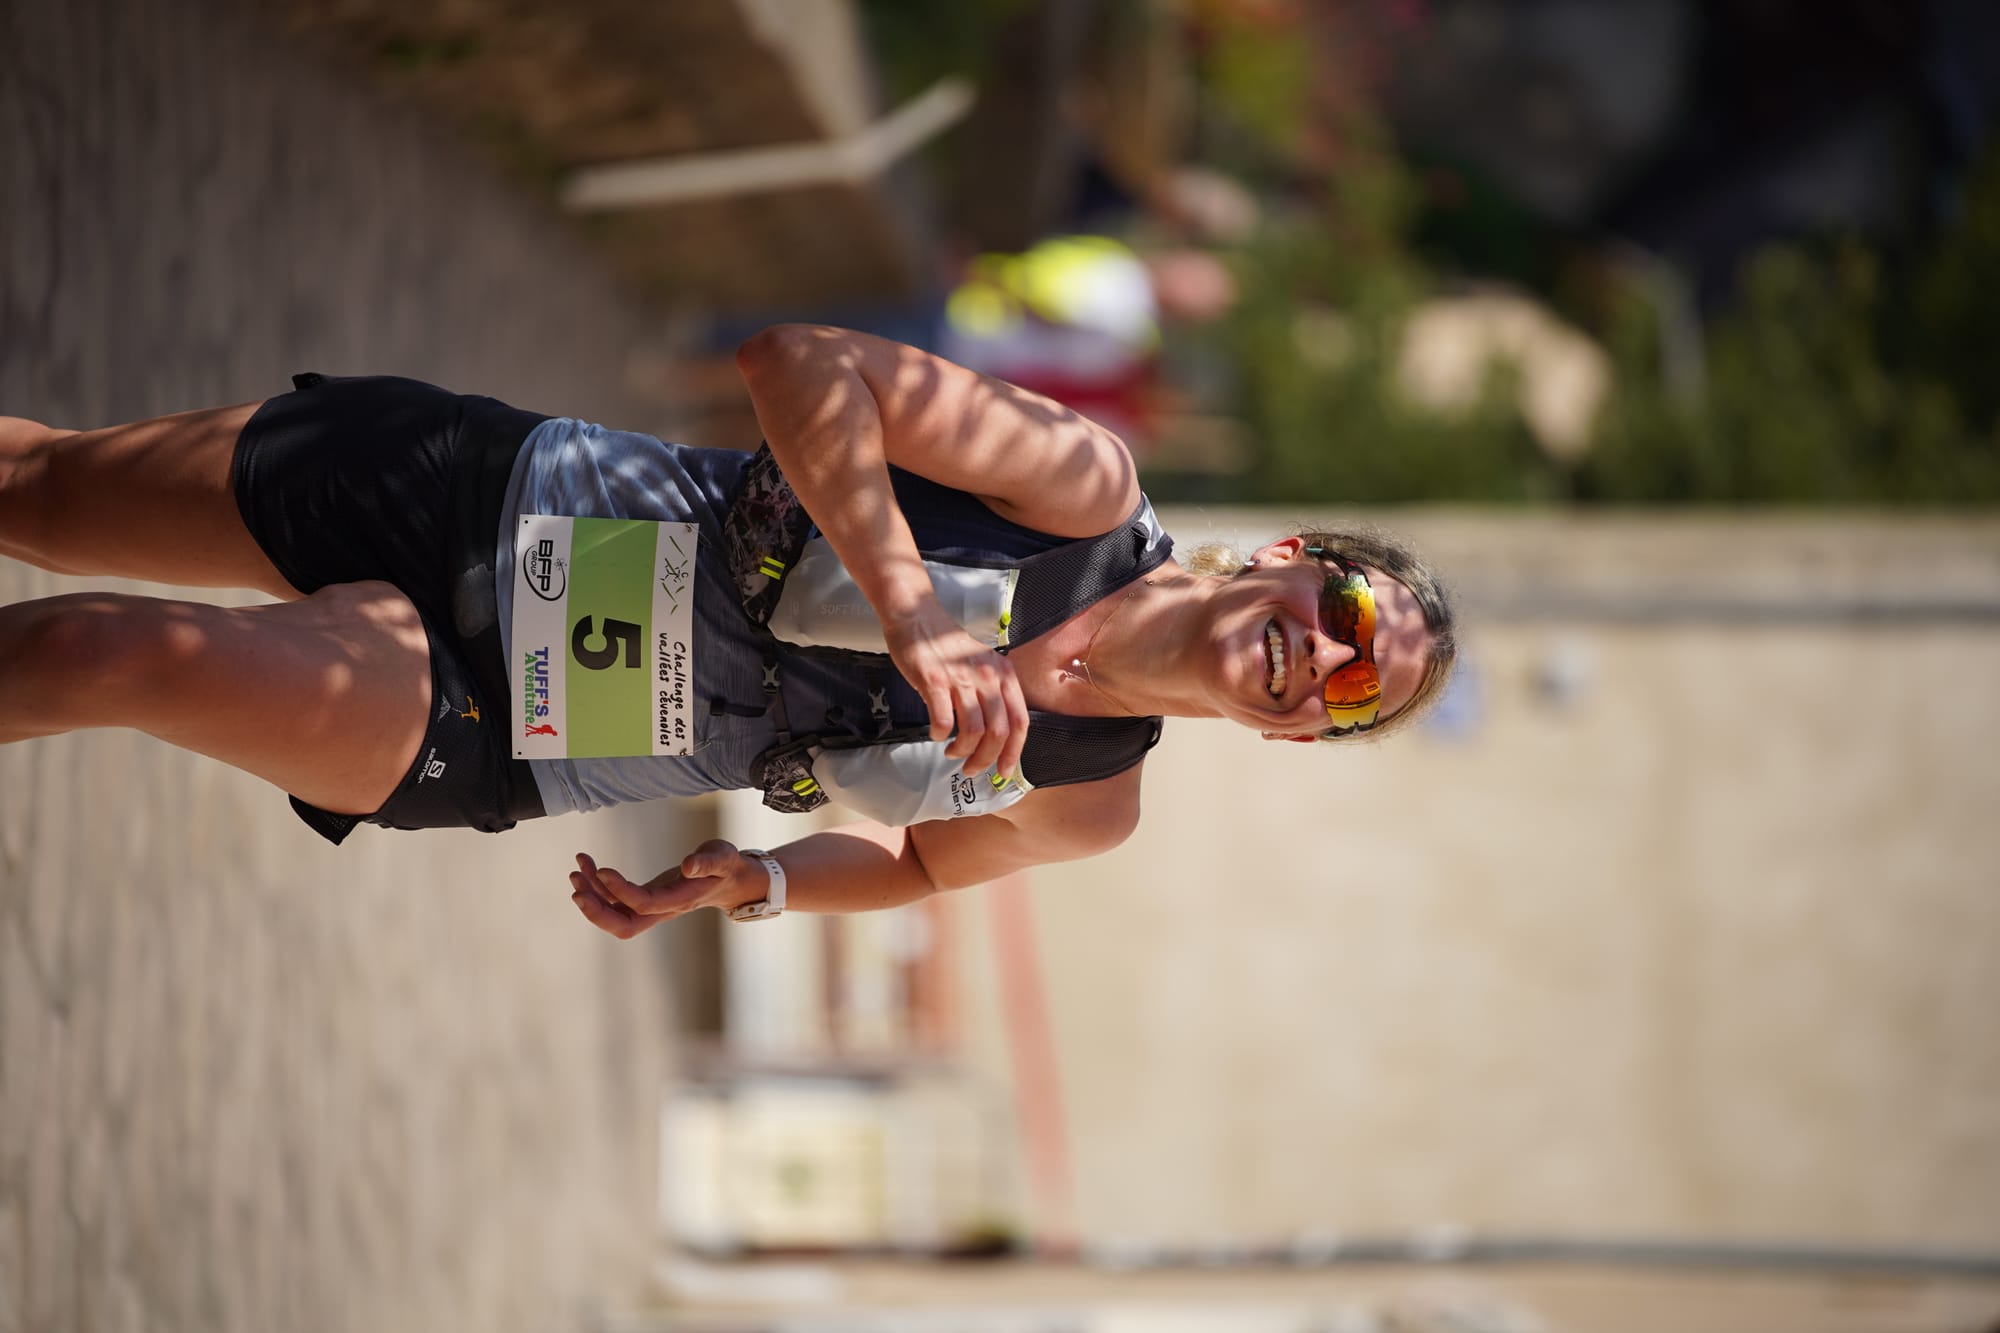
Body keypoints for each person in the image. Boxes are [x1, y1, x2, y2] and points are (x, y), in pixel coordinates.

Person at [0, 326, 1455, 938]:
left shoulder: (1091, 799)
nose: (1319, 662)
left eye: (1343, 697)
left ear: (1291, 734)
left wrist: (750, 880)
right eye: (1342, 617)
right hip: (488, 495)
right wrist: (907, 608)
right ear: (1288, 559)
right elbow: (797, 364)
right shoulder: (1080, 489)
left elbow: (925, 862)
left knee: (115, 657)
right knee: (40, 488)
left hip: (505, 727)